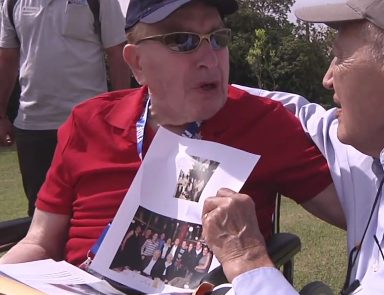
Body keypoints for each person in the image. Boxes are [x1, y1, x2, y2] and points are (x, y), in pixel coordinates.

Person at [0, 0, 342, 269]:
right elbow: (39, 242)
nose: (210, 58)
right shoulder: (89, 122)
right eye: (182, 41)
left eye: (218, 39)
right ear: (136, 63)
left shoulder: (266, 123)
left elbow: (360, 217)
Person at [201, 0, 384, 294]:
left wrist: (248, 262)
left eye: (339, 58)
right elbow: (295, 112)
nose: (328, 79)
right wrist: (193, 85)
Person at [0, 0, 131, 216]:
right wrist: (1, 114)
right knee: (39, 213)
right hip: (33, 127)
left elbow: (118, 53)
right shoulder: (11, 2)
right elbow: (7, 58)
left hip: (89, 127)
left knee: (94, 210)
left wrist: (121, 113)